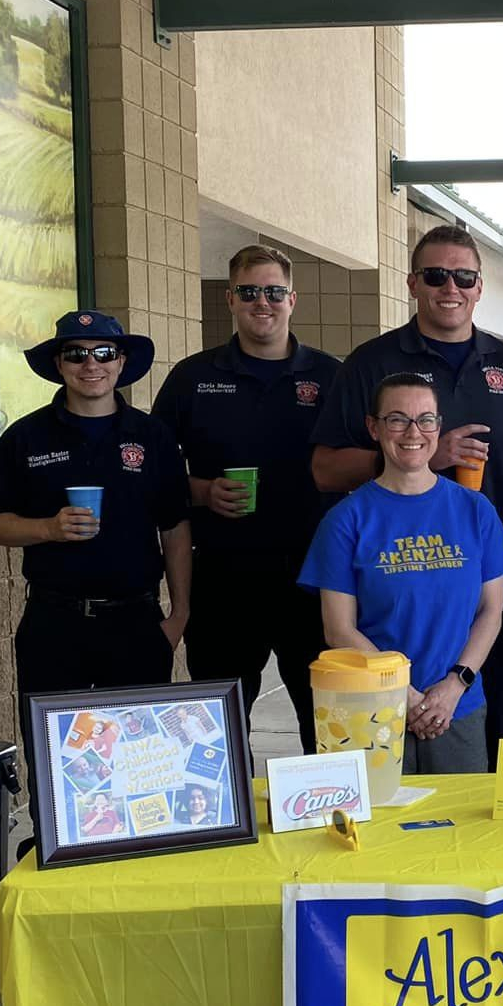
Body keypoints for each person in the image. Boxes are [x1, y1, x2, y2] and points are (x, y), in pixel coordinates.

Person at [311, 225, 503, 762]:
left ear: (479, 288)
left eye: (464, 277)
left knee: (500, 727)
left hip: (492, 579)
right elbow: (324, 468)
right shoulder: (371, 363)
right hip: (391, 585)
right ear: (412, 283)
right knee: (389, 761)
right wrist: (424, 455)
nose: (451, 287)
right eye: (436, 275)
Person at [152, 244, 341, 753]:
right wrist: (201, 491)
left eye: (274, 292)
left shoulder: (330, 377)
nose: (263, 302)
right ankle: (226, 806)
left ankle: (328, 804)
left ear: (292, 299)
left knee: (328, 726)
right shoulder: (192, 378)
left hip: (314, 580)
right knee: (217, 730)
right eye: (250, 291)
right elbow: (151, 474)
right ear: (230, 299)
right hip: (224, 580)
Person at [0, 312, 191, 757]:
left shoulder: (152, 436)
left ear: (121, 361)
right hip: (54, 621)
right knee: (53, 754)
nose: (90, 364)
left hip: (136, 621)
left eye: (103, 353)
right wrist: (47, 528)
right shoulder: (25, 437)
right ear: (59, 364)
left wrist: (179, 616)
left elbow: (174, 528)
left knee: (138, 756)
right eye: (75, 354)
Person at [299, 374, 503, 774]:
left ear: (438, 426)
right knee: (379, 815)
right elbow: (338, 629)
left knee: (460, 815)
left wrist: (455, 684)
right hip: (371, 708)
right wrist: (405, 694)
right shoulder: (346, 520)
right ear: (374, 427)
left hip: (457, 706)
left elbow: (491, 612)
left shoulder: (475, 510)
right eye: (397, 419)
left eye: (426, 419)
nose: (413, 432)